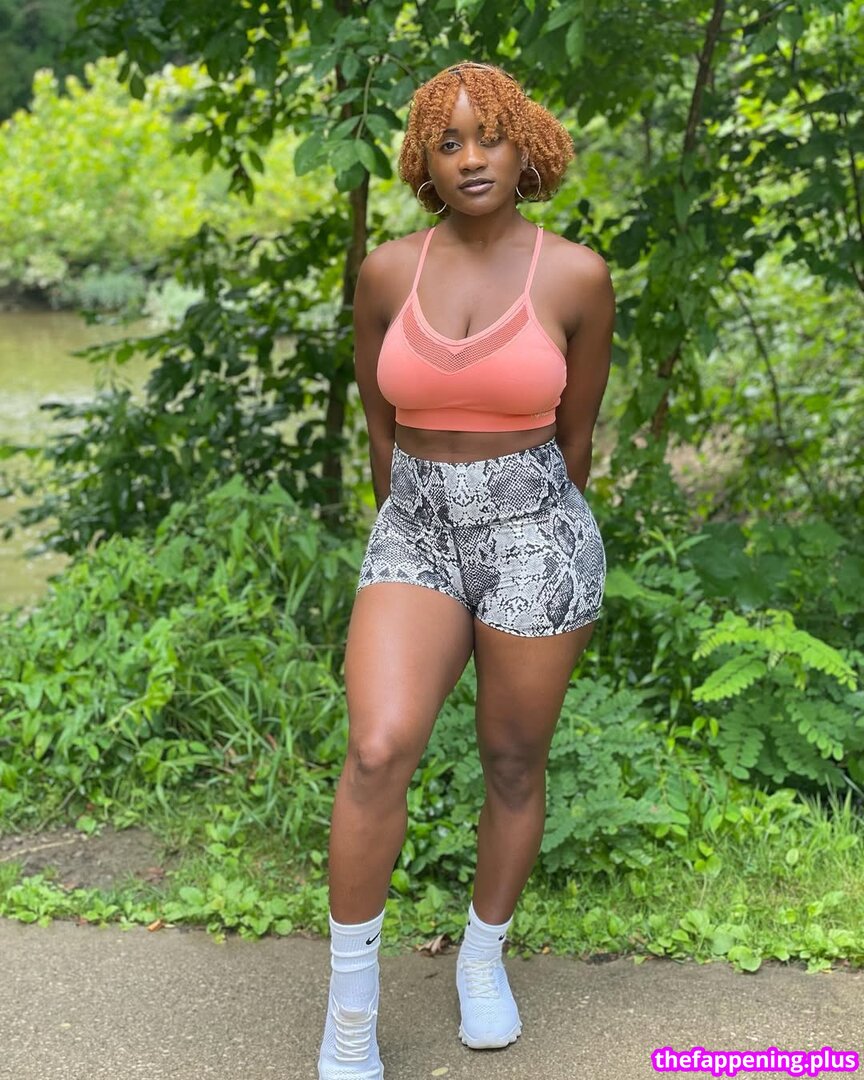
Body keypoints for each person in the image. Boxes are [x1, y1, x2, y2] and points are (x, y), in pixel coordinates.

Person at [318, 60, 614, 1079]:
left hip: (536, 532)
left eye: (489, 136)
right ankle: (350, 1017)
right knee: (376, 750)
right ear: (424, 162)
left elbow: (576, 442)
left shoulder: (575, 277)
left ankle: (482, 959)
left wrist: (530, 524)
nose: (472, 157)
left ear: (525, 146)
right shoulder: (386, 274)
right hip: (416, 529)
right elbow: (380, 426)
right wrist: (411, 521)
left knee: (513, 760)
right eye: (448, 143)